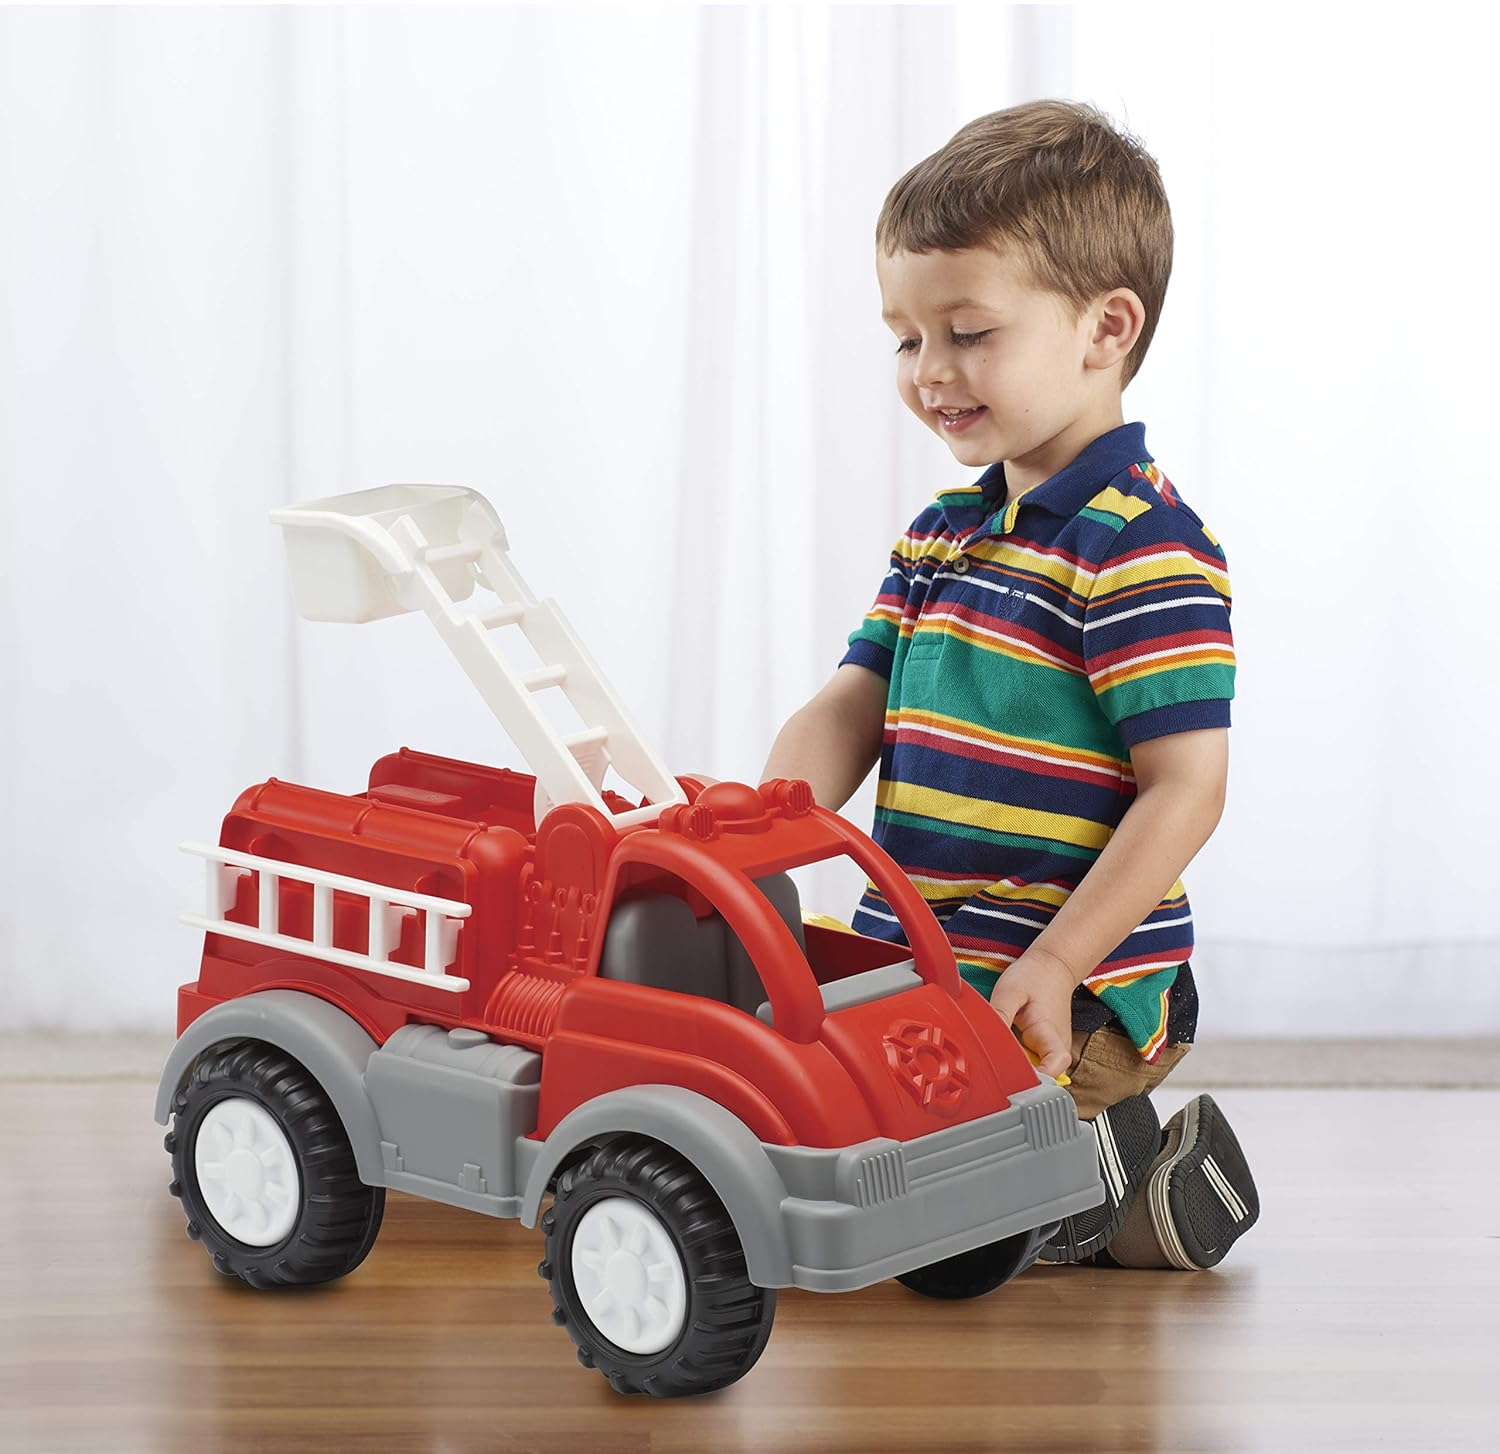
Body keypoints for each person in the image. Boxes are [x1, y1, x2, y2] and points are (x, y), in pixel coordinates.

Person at [761, 99, 1258, 1270]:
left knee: (932, 1235)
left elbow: (1186, 788)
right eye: (906, 339)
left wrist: (1061, 960)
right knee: (812, 1117)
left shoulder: (1140, 547)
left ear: (1105, 328)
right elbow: (850, 699)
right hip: (929, 963)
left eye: (968, 332)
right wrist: (762, 821)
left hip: (1069, 985)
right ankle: (1068, 1170)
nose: (930, 371)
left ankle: (1127, 1181)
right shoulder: (944, 531)